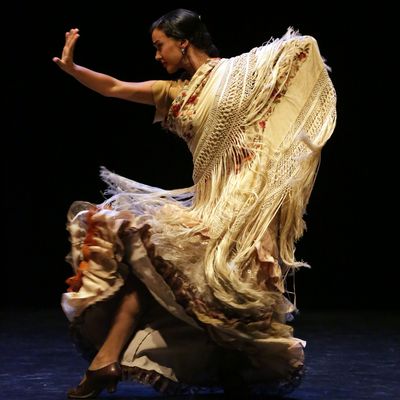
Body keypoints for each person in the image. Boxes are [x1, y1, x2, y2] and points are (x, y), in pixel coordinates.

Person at [53, 8, 336, 398]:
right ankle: (109, 360)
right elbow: (114, 87)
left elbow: (303, 49)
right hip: (209, 204)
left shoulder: (239, 73)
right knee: (159, 271)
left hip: (247, 202)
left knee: (230, 289)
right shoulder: (174, 94)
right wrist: (73, 69)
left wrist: (270, 160)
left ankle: (118, 362)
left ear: (183, 41)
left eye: (160, 46)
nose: (157, 56)